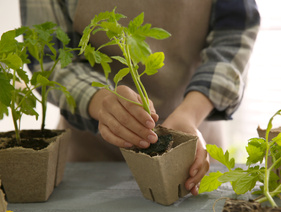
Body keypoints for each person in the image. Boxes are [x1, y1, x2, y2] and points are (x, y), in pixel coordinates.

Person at [19, 0, 261, 196]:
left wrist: (189, 114)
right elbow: (50, 59)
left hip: (191, 145)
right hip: (91, 162)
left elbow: (234, 34)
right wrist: (101, 101)